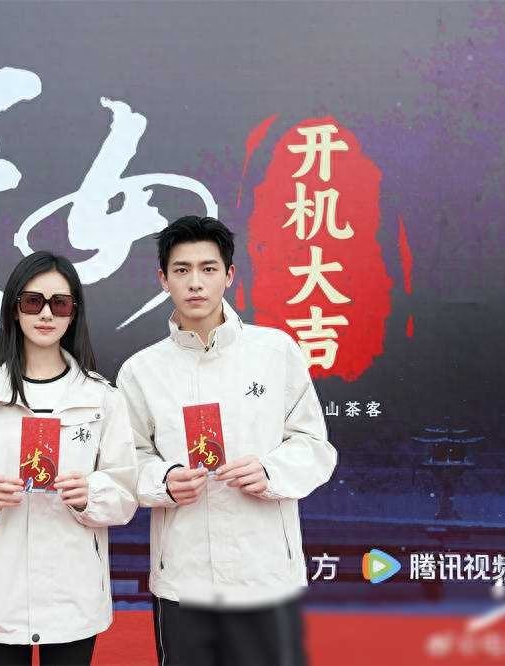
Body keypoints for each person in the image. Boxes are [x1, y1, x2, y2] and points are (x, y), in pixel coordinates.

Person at [116, 216, 337, 666]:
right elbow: (127, 460)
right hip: (184, 576)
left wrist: (270, 471)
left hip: (265, 572)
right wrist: (164, 480)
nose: (195, 283)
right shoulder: (141, 370)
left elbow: (314, 444)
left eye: (208, 268)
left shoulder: (275, 351)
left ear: (230, 275)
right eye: (181, 270)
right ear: (163, 279)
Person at [0, 251, 137, 666]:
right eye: (32, 301)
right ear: (14, 309)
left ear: (73, 313)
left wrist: (90, 495)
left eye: (59, 303)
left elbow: (125, 490)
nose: (46, 314)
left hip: (74, 593)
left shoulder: (103, 398)